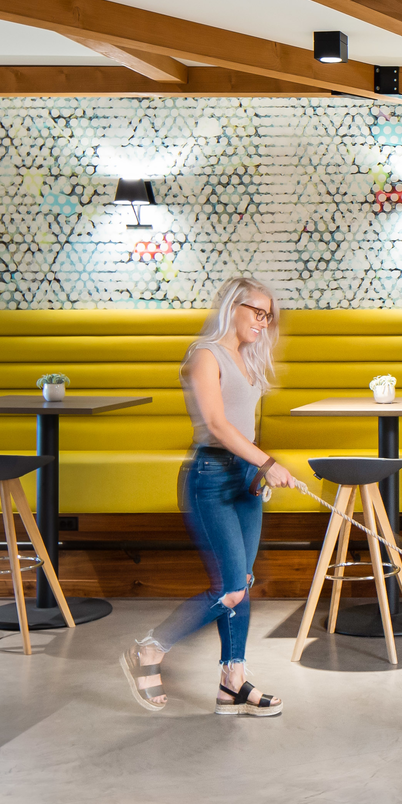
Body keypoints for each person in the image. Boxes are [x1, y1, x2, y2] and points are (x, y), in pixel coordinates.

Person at [120, 276, 299, 716]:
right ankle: (149, 649)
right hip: (211, 477)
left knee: (243, 582)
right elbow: (218, 425)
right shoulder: (205, 355)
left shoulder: (246, 359)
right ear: (232, 306)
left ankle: (231, 683)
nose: (264, 321)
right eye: (257, 311)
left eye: (268, 315)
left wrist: (257, 469)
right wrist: (268, 463)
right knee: (232, 588)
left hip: (244, 478)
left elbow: (245, 425)